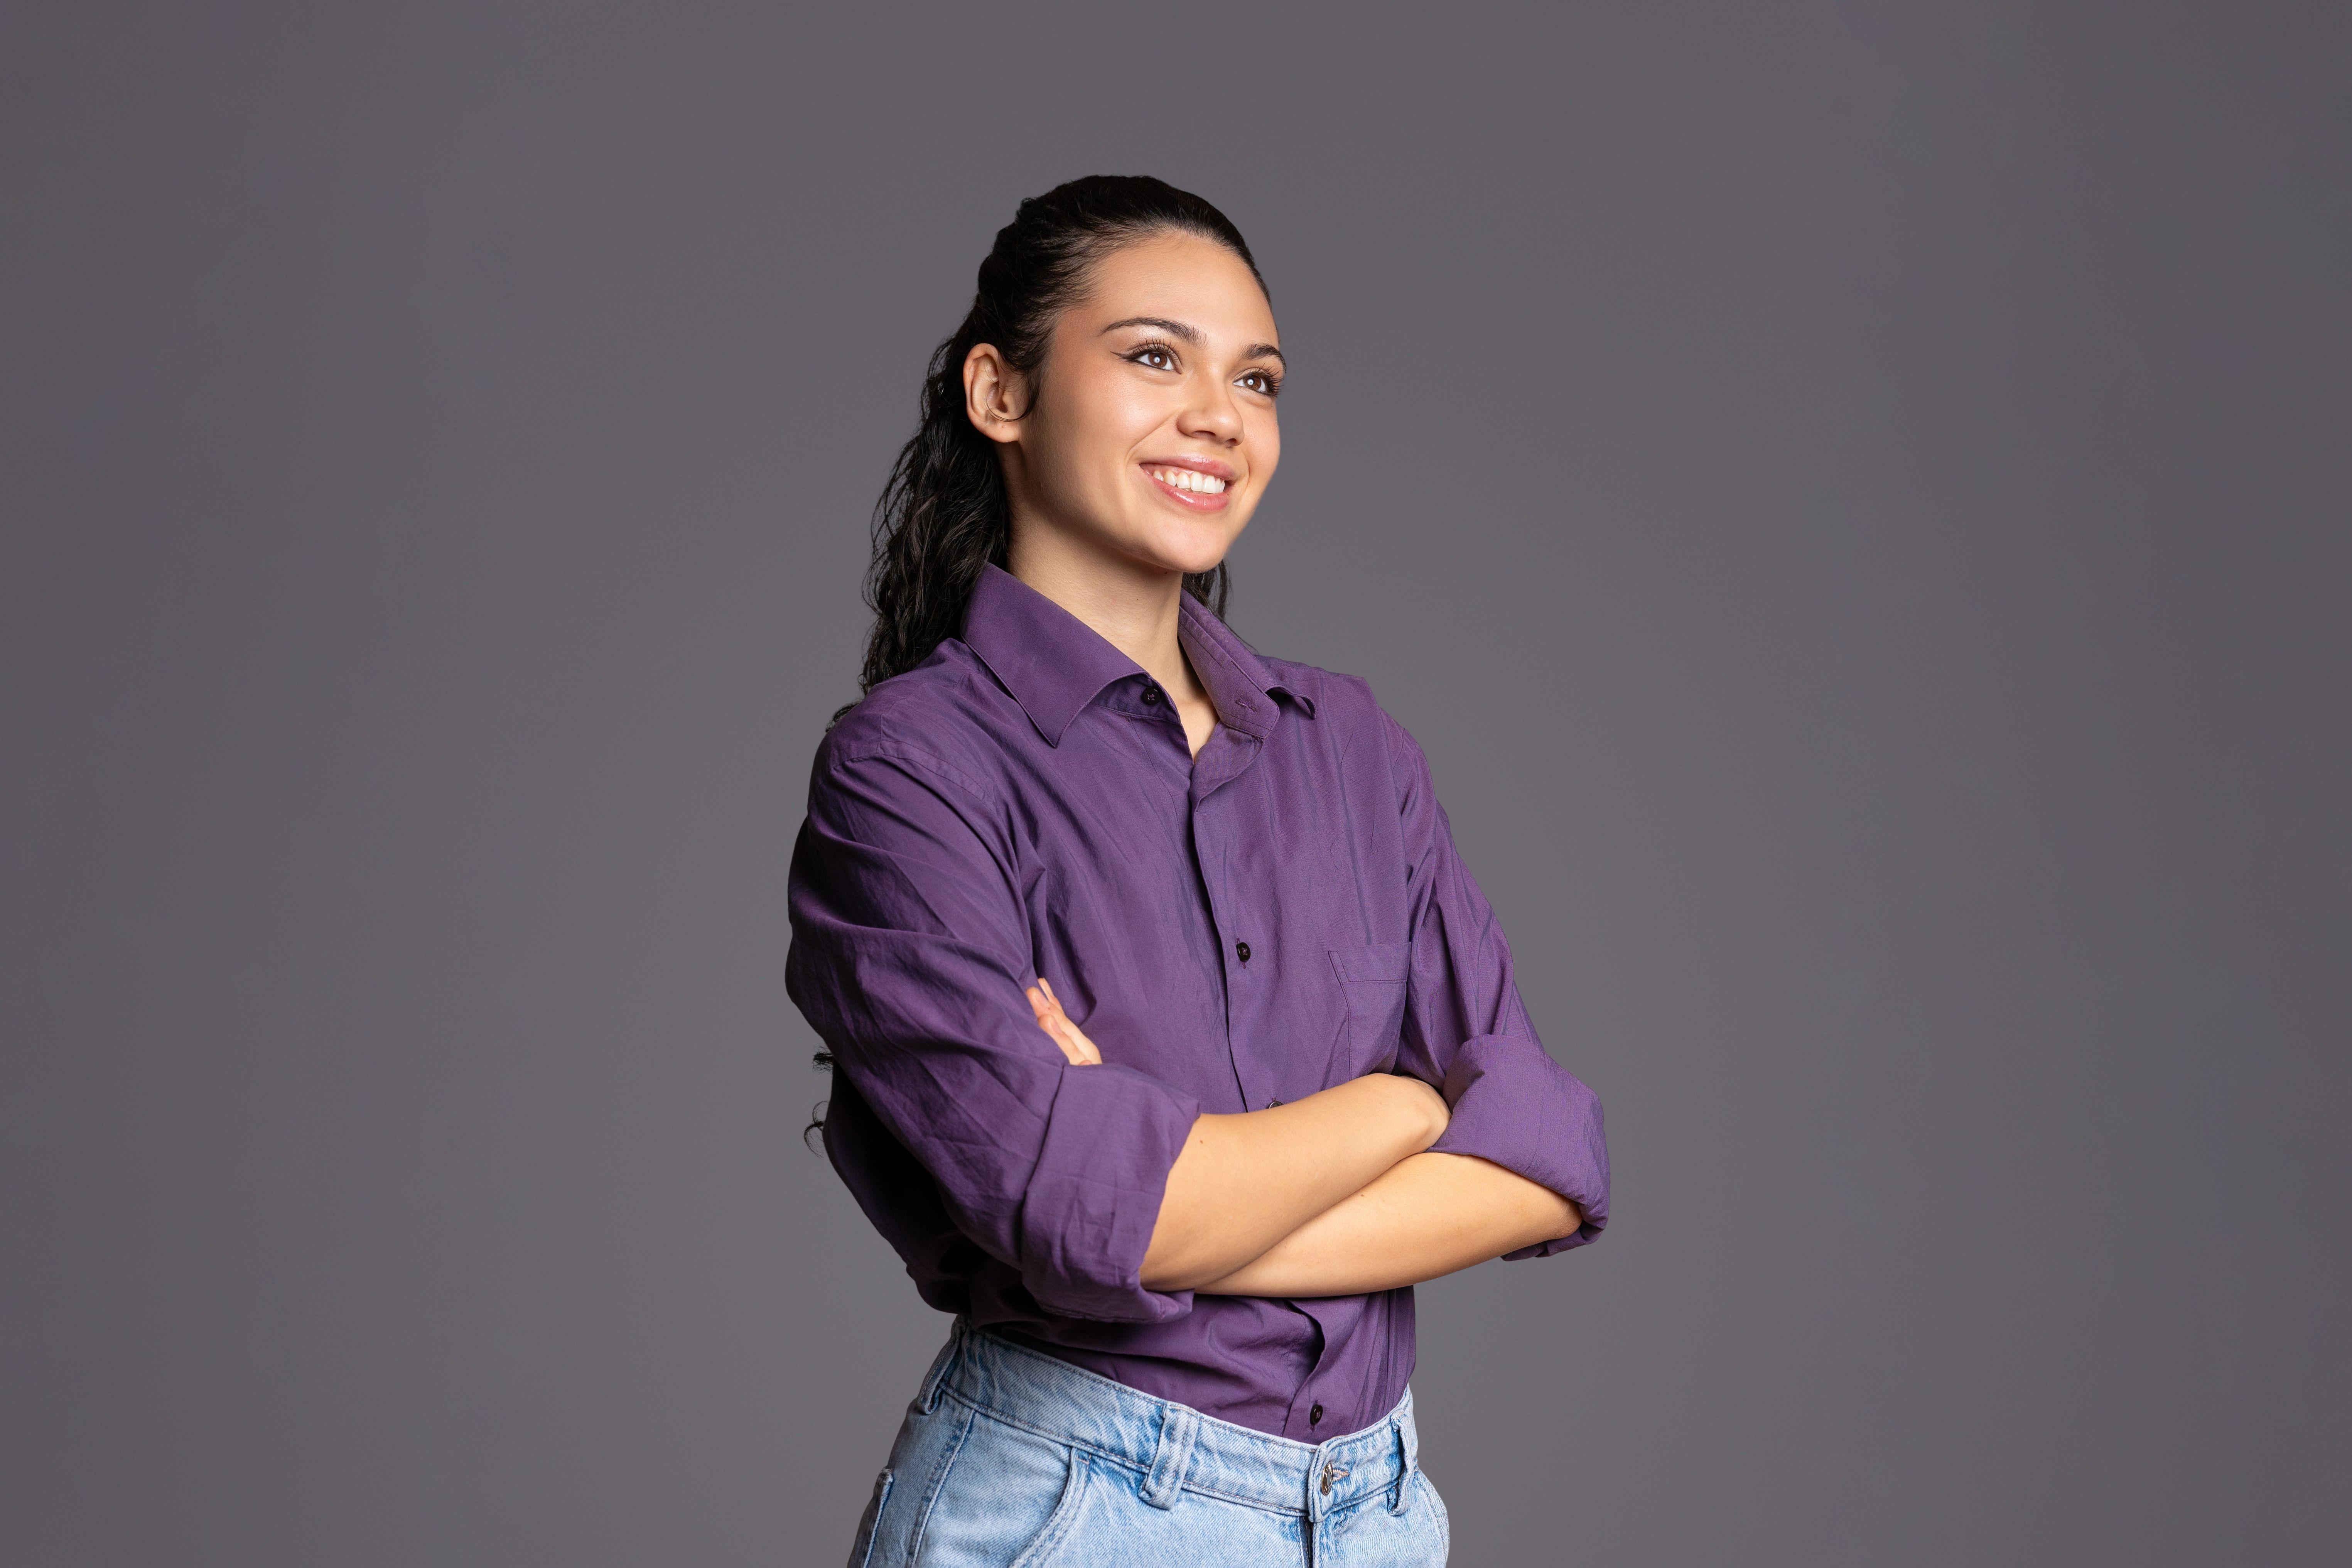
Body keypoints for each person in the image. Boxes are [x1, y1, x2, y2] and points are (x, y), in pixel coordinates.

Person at [787, 175, 1609, 1567]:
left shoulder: (1349, 746)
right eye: (1153, 356)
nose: (1219, 415)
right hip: (1080, 1507)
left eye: (1259, 377)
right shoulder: (908, 772)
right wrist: (1406, 1103)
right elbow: (1081, 1210)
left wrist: (1178, 1213)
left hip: (1377, 1513)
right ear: (1001, 392)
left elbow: (1543, 1161)